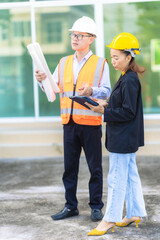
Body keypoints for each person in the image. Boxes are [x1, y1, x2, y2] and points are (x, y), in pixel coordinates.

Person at [35, 16, 111, 221]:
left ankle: (96, 206)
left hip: (91, 125)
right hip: (68, 123)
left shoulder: (100, 63)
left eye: (79, 35)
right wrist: (42, 81)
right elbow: (53, 90)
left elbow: (106, 91)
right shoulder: (63, 62)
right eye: (73, 35)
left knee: (95, 168)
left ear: (91, 39)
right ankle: (70, 207)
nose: (75, 38)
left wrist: (92, 90)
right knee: (69, 168)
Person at [86, 32, 147, 236]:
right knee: (130, 175)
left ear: (129, 57)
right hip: (125, 137)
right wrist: (106, 103)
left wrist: (104, 111)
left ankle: (109, 219)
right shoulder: (126, 77)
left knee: (117, 178)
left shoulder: (129, 80)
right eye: (111, 57)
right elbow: (123, 105)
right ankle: (134, 213)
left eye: (117, 57)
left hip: (123, 138)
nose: (113, 61)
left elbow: (128, 112)